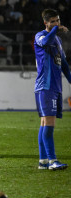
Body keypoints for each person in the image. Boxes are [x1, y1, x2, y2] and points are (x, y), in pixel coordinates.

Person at [34, 9, 71, 170]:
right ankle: (52, 161)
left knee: (44, 124)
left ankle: (43, 162)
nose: (57, 23)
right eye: (53, 21)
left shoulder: (57, 41)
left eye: (58, 20)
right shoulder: (40, 36)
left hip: (55, 87)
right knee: (49, 124)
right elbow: (45, 42)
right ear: (46, 23)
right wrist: (56, 29)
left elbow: (63, 64)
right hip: (45, 86)